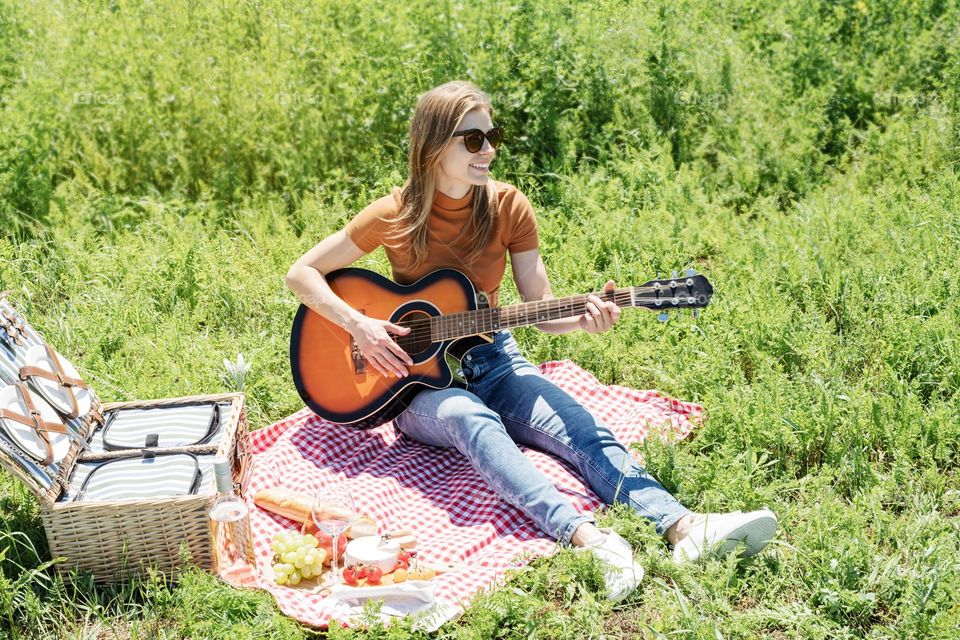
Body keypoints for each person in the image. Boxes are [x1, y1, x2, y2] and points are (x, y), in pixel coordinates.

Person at [286, 80, 777, 602]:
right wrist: (359, 325)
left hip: (494, 357)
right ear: (434, 147)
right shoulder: (394, 214)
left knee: (581, 427)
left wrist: (583, 319)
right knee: (470, 419)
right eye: (473, 140)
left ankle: (683, 527)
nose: (490, 150)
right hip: (408, 383)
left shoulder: (508, 208)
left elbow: (541, 308)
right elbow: (302, 274)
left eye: (491, 135)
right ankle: (587, 538)